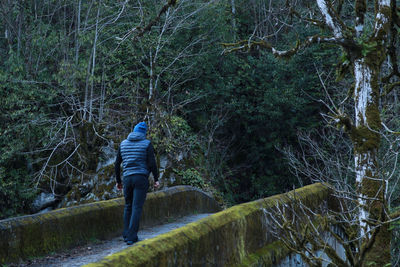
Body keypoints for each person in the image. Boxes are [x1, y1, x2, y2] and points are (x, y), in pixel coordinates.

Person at [115, 121, 160, 245]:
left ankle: (126, 234)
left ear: (133, 131)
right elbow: (152, 164)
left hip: (127, 178)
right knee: (137, 207)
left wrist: (119, 181)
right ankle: (131, 236)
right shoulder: (147, 144)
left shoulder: (123, 144)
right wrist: (156, 179)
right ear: (144, 133)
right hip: (141, 178)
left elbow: (117, 164)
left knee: (128, 206)